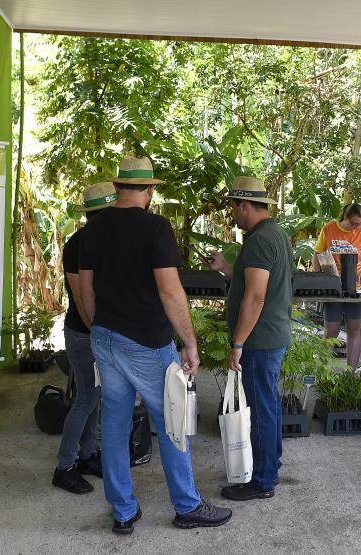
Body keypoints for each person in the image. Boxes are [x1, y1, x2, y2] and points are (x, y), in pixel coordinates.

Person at [78, 156, 232, 533]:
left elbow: (85, 289)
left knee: (113, 424)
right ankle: (186, 505)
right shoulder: (155, 228)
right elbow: (169, 290)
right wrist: (189, 342)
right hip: (147, 341)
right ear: (149, 191)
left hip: (105, 338)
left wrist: (99, 328)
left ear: (117, 188)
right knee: (171, 422)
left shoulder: (90, 232)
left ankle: (123, 511)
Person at [207, 176, 292, 502]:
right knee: (268, 403)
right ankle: (270, 465)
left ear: (244, 205)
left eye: (233, 206)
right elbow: (256, 280)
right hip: (272, 334)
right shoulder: (274, 234)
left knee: (261, 407)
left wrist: (238, 343)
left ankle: (262, 481)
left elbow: (255, 296)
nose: (232, 213)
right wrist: (227, 268)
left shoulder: (259, 240)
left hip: (259, 339)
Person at [51, 182, 116, 495]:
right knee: (87, 398)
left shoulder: (101, 240)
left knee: (96, 396)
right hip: (83, 333)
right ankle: (63, 467)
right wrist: (99, 334)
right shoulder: (79, 244)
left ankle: (87, 456)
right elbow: (80, 297)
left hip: (96, 333)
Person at [312, 203, 361, 371]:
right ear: (345, 218)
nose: (357, 227)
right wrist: (317, 277)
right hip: (333, 287)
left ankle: (351, 375)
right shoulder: (329, 228)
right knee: (331, 330)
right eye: (354, 223)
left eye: (360, 223)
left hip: (357, 287)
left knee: (354, 329)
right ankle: (322, 371)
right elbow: (318, 253)